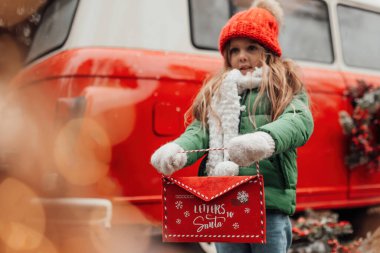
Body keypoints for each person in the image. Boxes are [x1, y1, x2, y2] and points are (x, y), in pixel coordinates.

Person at [150, 0, 314, 252]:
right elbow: (201, 130)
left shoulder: (283, 86)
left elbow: (299, 121)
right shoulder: (219, 90)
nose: (242, 56)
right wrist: (179, 149)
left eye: (251, 47)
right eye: (234, 50)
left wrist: (264, 140)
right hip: (223, 198)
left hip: (267, 202)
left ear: (268, 51)